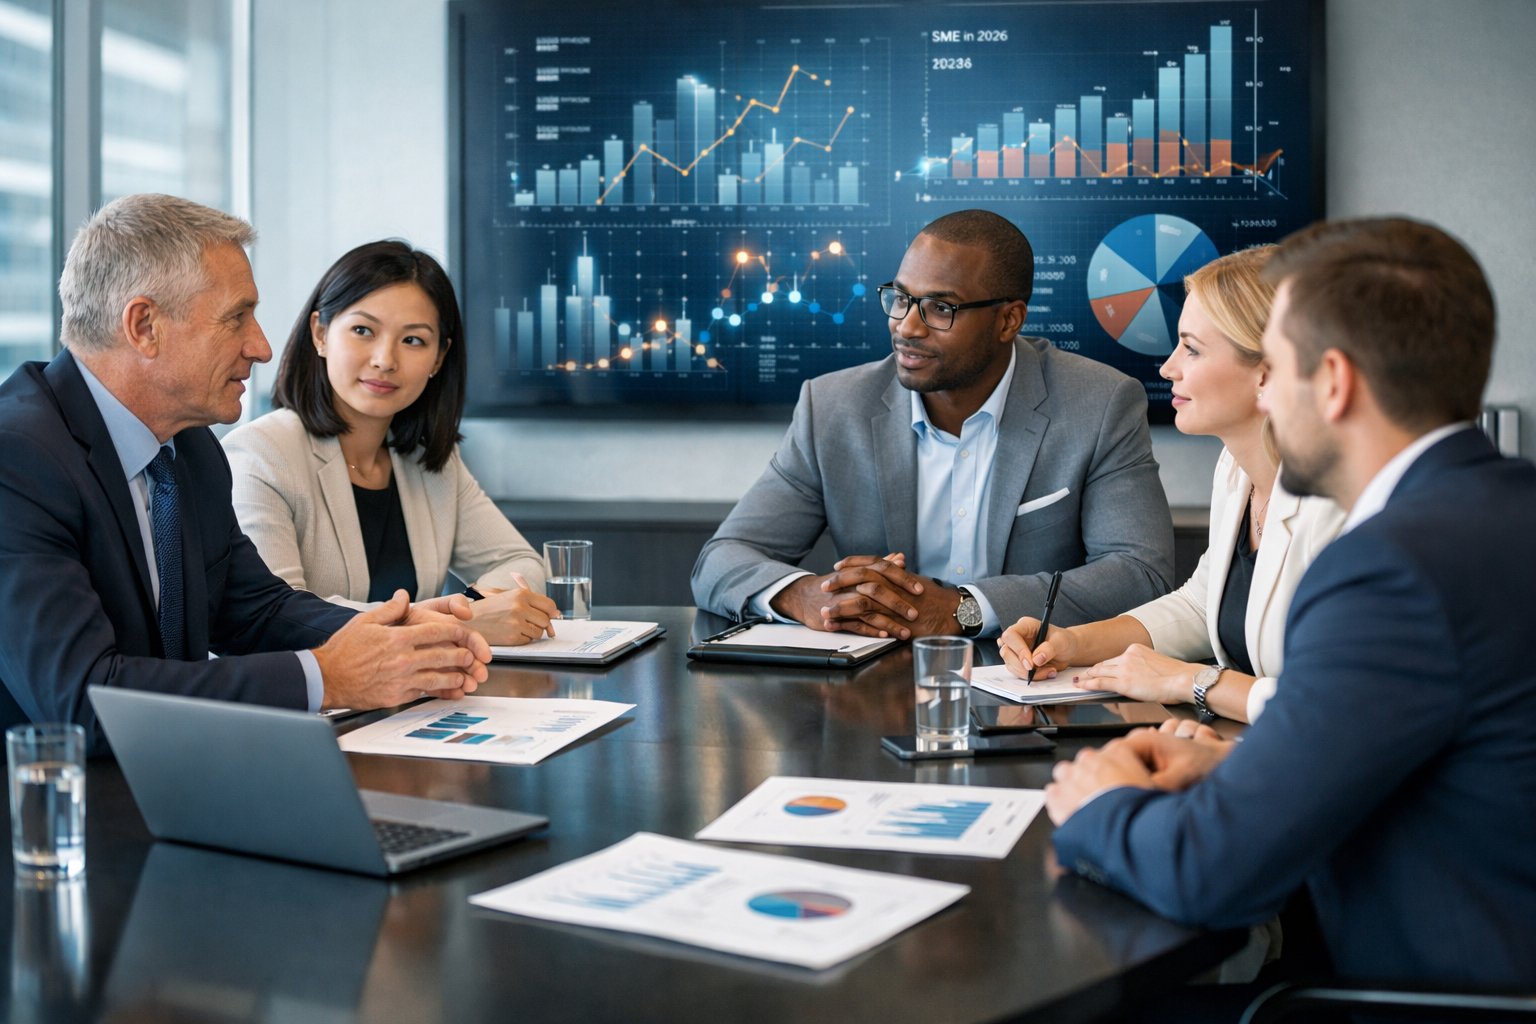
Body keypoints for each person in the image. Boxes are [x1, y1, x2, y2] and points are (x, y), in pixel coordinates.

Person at [1047, 217, 1536, 991]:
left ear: (1333, 383)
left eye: (1271, 368)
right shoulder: (1504, 510)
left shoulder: (1389, 570)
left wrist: (1098, 805)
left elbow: (1209, 874)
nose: (1266, 394)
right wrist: (1235, 772)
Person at [0, 194, 492, 748]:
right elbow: (84, 700)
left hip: (174, 782)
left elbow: (254, 609)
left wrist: (395, 633)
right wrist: (328, 677)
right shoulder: (17, 458)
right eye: (237, 317)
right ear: (144, 325)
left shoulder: (191, 449)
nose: (260, 347)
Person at [691, 210, 1174, 639]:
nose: (907, 326)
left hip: (1034, 692)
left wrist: (963, 610)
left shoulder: (1100, 402)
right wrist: (807, 596)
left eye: (940, 308)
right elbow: (722, 559)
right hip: (873, 695)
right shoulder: (833, 407)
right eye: (900, 298)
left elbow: (1141, 574)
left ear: (1009, 321)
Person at [998, 248, 1345, 723]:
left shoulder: (1342, 508)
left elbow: (1340, 704)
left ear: (1267, 374)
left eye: (1192, 349)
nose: (1168, 368)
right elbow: (1204, 605)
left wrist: (1191, 680)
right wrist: (1073, 641)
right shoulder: (1237, 469)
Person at [223, 241, 557, 646]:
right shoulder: (262, 454)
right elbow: (280, 619)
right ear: (321, 333)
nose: (385, 359)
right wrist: (458, 623)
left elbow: (520, 562)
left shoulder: (427, 458)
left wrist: (474, 607)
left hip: (417, 697)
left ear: (439, 358)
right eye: (363, 330)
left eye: (413, 340)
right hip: (311, 703)